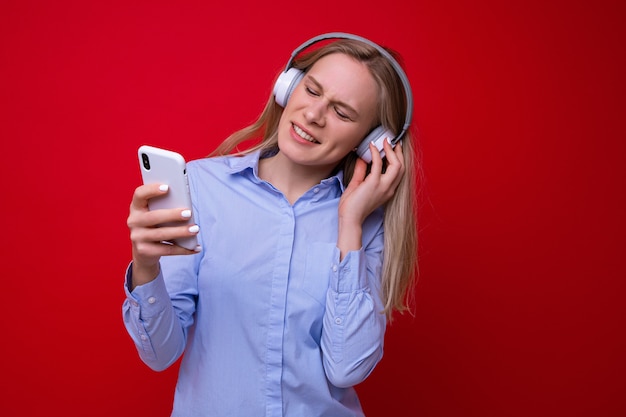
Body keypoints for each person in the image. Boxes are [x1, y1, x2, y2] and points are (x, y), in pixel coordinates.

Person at [123, 32, 419, 417]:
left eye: (342, 113)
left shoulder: (367, 225)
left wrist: (350, 223)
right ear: (288, 87)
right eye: (311, 90)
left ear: (371, 142)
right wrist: (146, 268)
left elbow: (347, 368)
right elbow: (160, 354)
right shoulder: (201, 187)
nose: (314, 115)